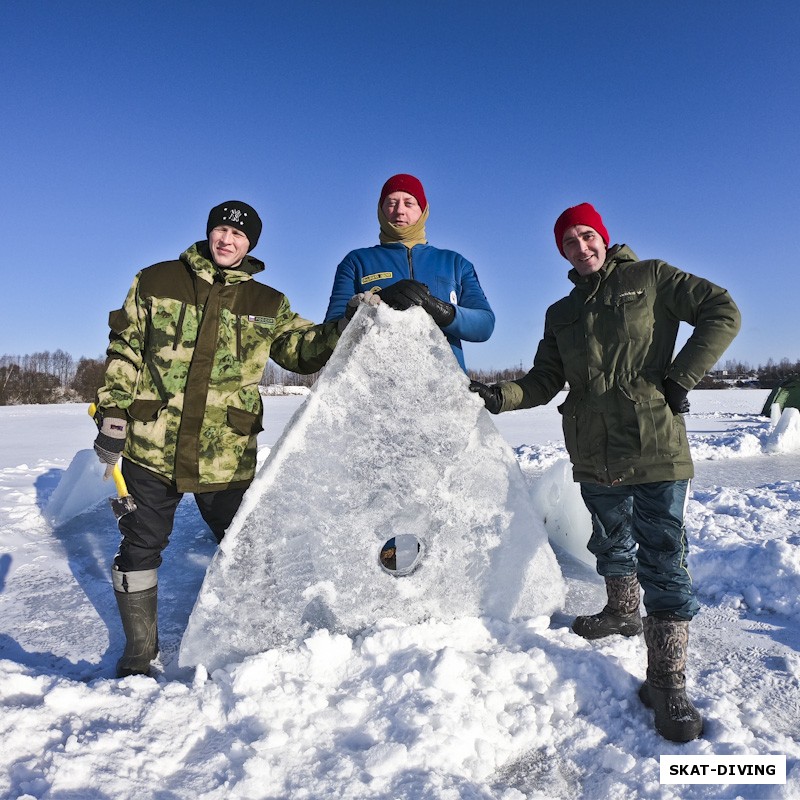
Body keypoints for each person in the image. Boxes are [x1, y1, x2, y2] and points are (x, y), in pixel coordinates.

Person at [470, 202, 740, 742]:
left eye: (587, 235)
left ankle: (666, 682)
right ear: (562, 252)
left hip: (654, 443)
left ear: (604, 237)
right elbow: (545, 378)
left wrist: (682, 377)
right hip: (593, 450)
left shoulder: (652, 278)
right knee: (609, 537)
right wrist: (497, 397)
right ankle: (621, 611)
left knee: (663, 558)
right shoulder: (561, 312)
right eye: (569, 241)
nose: (581, 246)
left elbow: (722, 310)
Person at [93, 200, 344, 678]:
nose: (228, 240)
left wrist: (352, 319)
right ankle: (139, 654)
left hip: (224, 453)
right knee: (140, 546)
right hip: (153, 444)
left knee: (244, 548)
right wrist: (112, 415)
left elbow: (303, 351)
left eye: (239, 234)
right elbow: (125, 348)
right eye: (221, 230)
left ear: (252, 244)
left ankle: (257, 643)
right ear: (209, 232)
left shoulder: (268, 302)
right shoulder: (156, 280)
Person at [324, 173, 495, 371]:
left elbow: (484, 326)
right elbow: (332, 333)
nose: (399, 211)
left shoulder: (456, 263)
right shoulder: (356, 262)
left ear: (423, 209)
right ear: (380, 209)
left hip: (445, 390)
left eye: (409, 203)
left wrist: (441, 311)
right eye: (391, 203)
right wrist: (366, 309)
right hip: (377, 392)